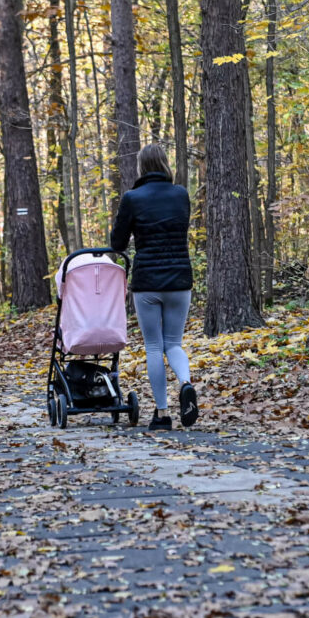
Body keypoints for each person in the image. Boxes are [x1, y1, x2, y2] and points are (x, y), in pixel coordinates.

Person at [110, 143, 198, 431]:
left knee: (153, 346)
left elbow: (117, 244)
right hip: (180, 278)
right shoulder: (181, 194)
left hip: (147, 281)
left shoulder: (132, 198)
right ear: (164, 164)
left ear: (141, 167)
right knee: (174, 343)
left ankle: (162, 413)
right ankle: (186, 383)